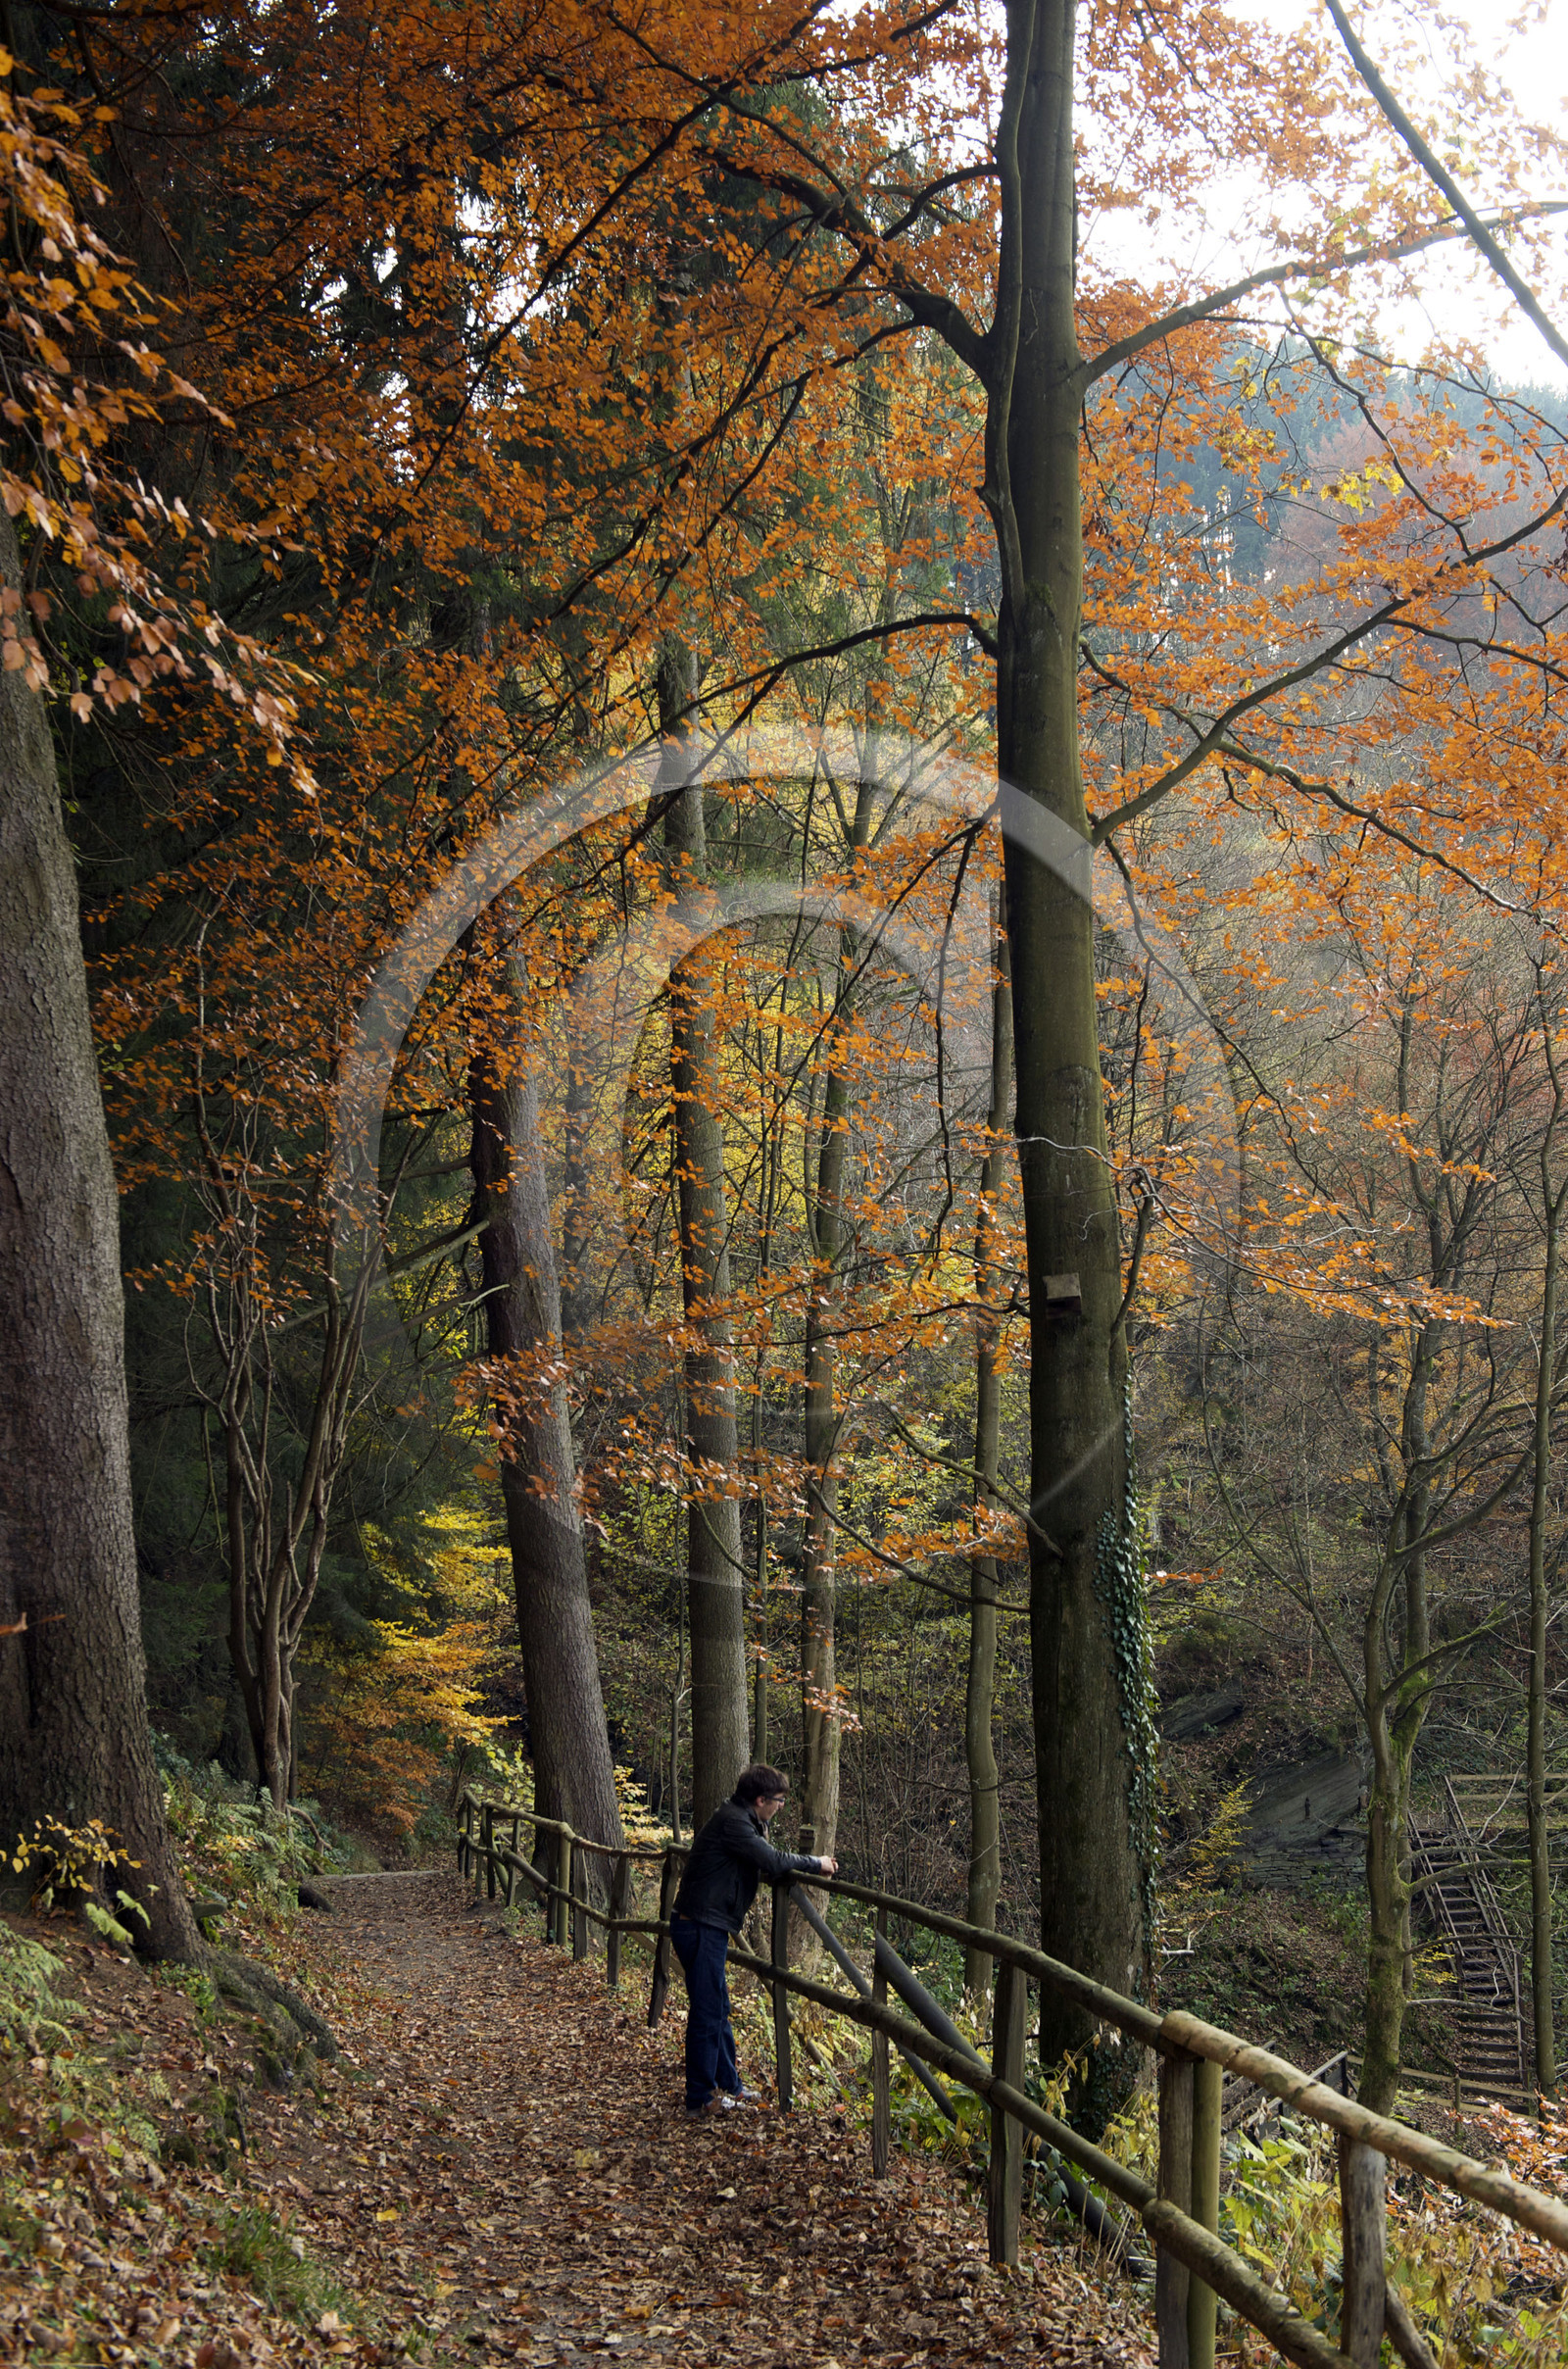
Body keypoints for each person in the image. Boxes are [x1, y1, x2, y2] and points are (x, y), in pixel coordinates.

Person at [668, 1762, 838, 2116]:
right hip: (700, 1925)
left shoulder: (741, 1819)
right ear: (761, 1799)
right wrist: (816, 1862)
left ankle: (729, 2086)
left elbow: (762, 1859)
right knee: (708, 2012)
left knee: (718, 2009)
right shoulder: (735, 1823)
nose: (781, 1806)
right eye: (779, 1800)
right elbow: (772, 1860)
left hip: (706, 1923)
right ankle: (700, 2098)